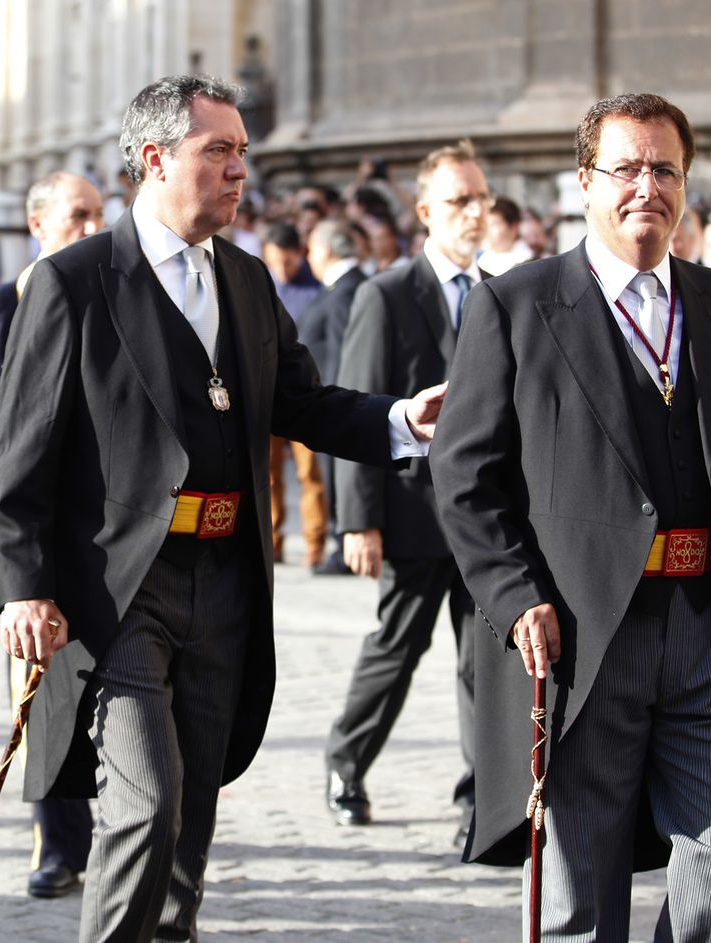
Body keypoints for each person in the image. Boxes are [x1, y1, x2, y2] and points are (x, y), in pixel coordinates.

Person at [0, 75, 443, 943]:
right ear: (156, 160)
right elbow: (19, 454)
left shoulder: (243, 275)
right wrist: (22, 586)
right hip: (121, 590)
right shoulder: (75, 284)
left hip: (227, 583)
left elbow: (299, 402)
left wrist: (398, 419)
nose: (241, 171)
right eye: (219, 151)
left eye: (242, 152)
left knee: (191, 817)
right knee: (146, 804)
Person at [433, 92, 711, 941]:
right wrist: (514, 592)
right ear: (586, 181)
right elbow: (464, 476)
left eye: (665, 169)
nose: (648, 186)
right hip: (586, 636)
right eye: (626, 168)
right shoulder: (515, 306)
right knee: (581, 895)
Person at [0, 171, 103, 900]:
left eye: (100, 214)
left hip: (112, 537)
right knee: (46, 701)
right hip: (33, 544)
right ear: (38, 224)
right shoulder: (2, 310)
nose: (91, 227)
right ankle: (59, 844)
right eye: (76, 215)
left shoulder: (126, 301)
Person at [324, 142, 486, 842]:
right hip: (414, 512)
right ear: (425, 212)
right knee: (398, 644)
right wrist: (358, 519)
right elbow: (360, 407)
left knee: (487, 661)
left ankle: (482, 796)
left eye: (482, 199)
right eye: (458, 201)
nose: (475, 213)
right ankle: (346, 761)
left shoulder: (499, 295)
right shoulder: (386, 294)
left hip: (486, 520)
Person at [298, 218, 368, 576]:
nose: (308, 257)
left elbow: (347, 351)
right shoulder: (340, 288)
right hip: (332, 402)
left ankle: (345, 548)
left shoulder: (347, 290)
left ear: (324, 250)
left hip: (339, 403)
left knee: (341, 476)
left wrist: (341, 402)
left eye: (311, 249)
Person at [261, 222, 331, 566]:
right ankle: (272, 540)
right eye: (274, 262)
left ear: (298, 255)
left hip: (305, 390)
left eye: (286, 262)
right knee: (269, 474)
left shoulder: (316, 288)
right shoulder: (260, 284)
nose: (280, 270)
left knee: (309, 474)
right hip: (267, 392)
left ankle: (315, 542)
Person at [477, 196, 533, 276]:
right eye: (485, 224)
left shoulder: (528, 264)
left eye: (493, 224)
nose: (487, 230)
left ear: (514, 228)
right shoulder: (481, 261)